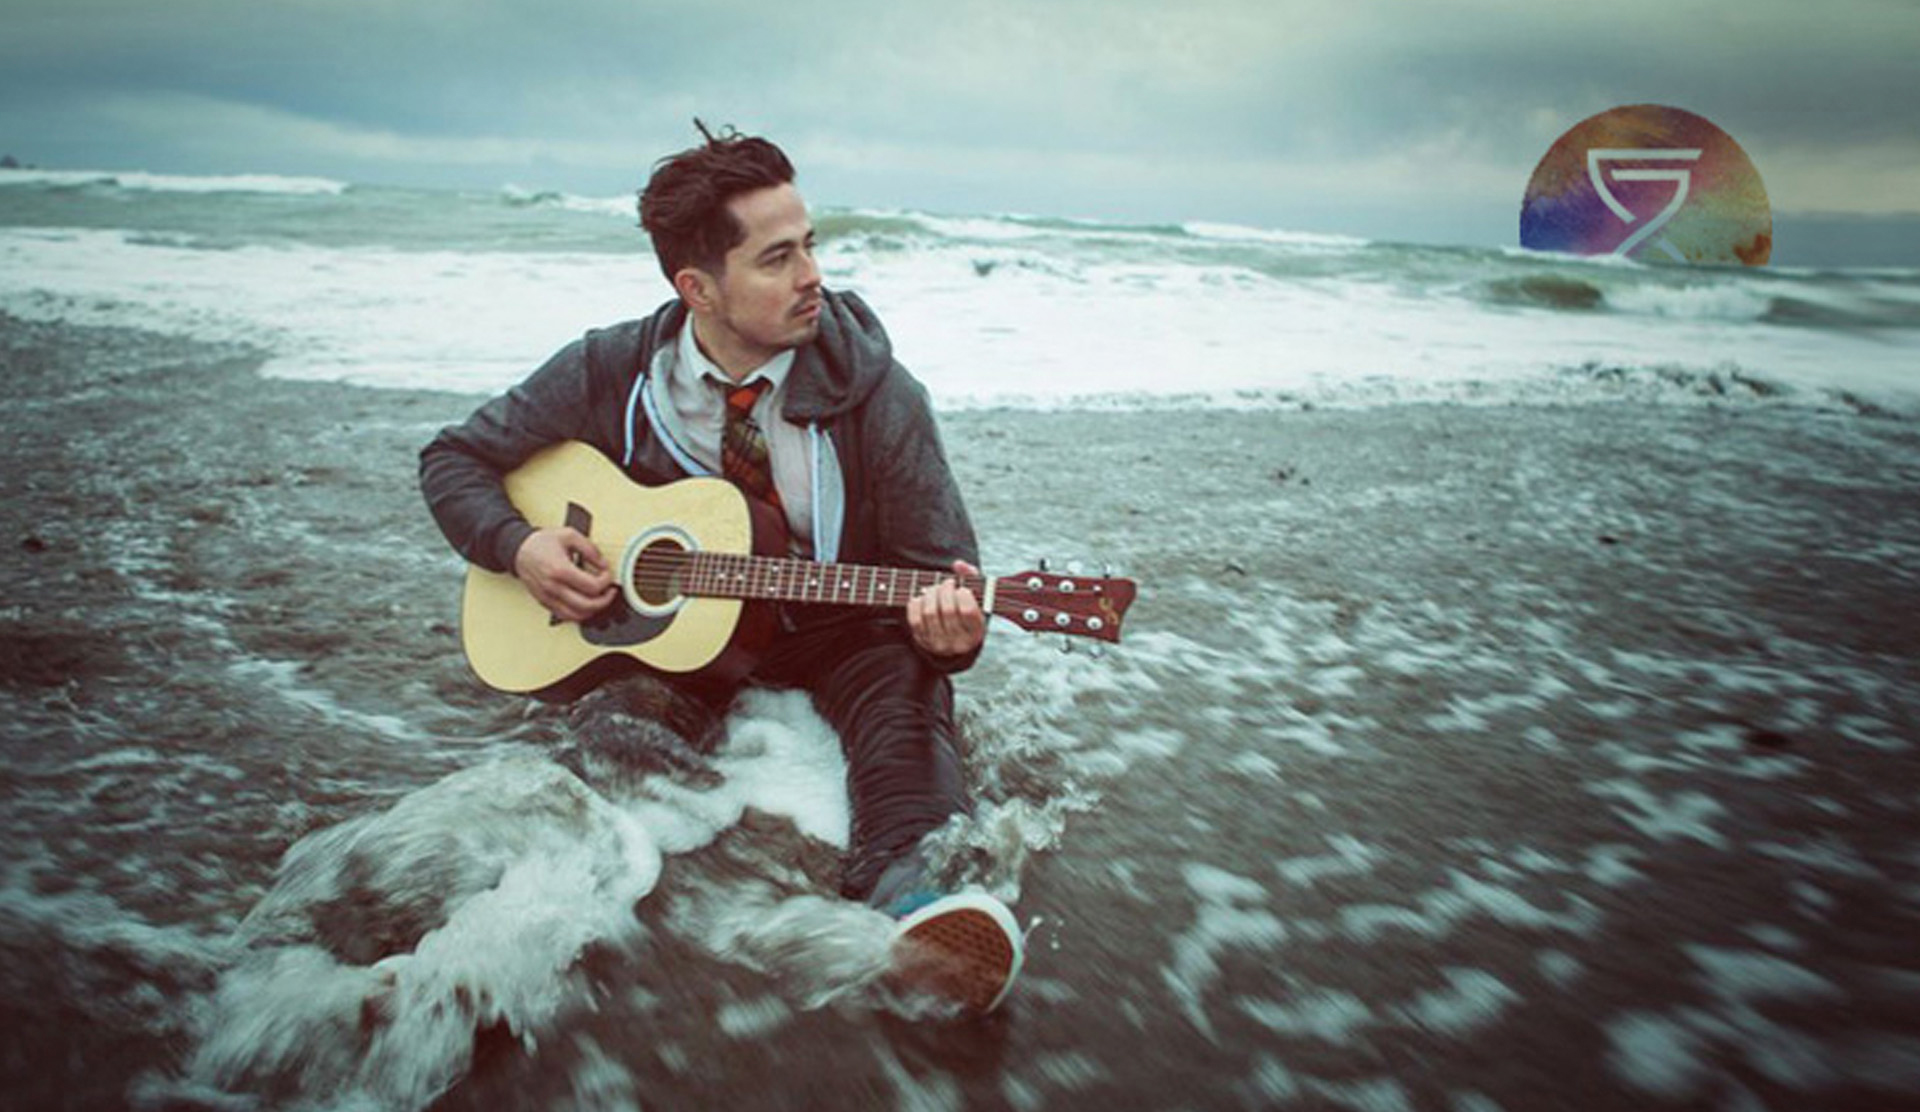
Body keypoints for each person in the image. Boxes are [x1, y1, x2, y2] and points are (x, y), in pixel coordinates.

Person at [419, 124, 1021, 1013]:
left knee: (906, 709)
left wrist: (955, 636)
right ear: (696, 288)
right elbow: (453, 459)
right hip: (668, 642)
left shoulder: (881, 396)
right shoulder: (610, 369)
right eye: (777, 258)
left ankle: (913, 907)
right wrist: (523, 546)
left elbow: (940, 575)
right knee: (609, 762)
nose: (813, 274)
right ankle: (490, 955)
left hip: (838, 633)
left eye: (810, 244)